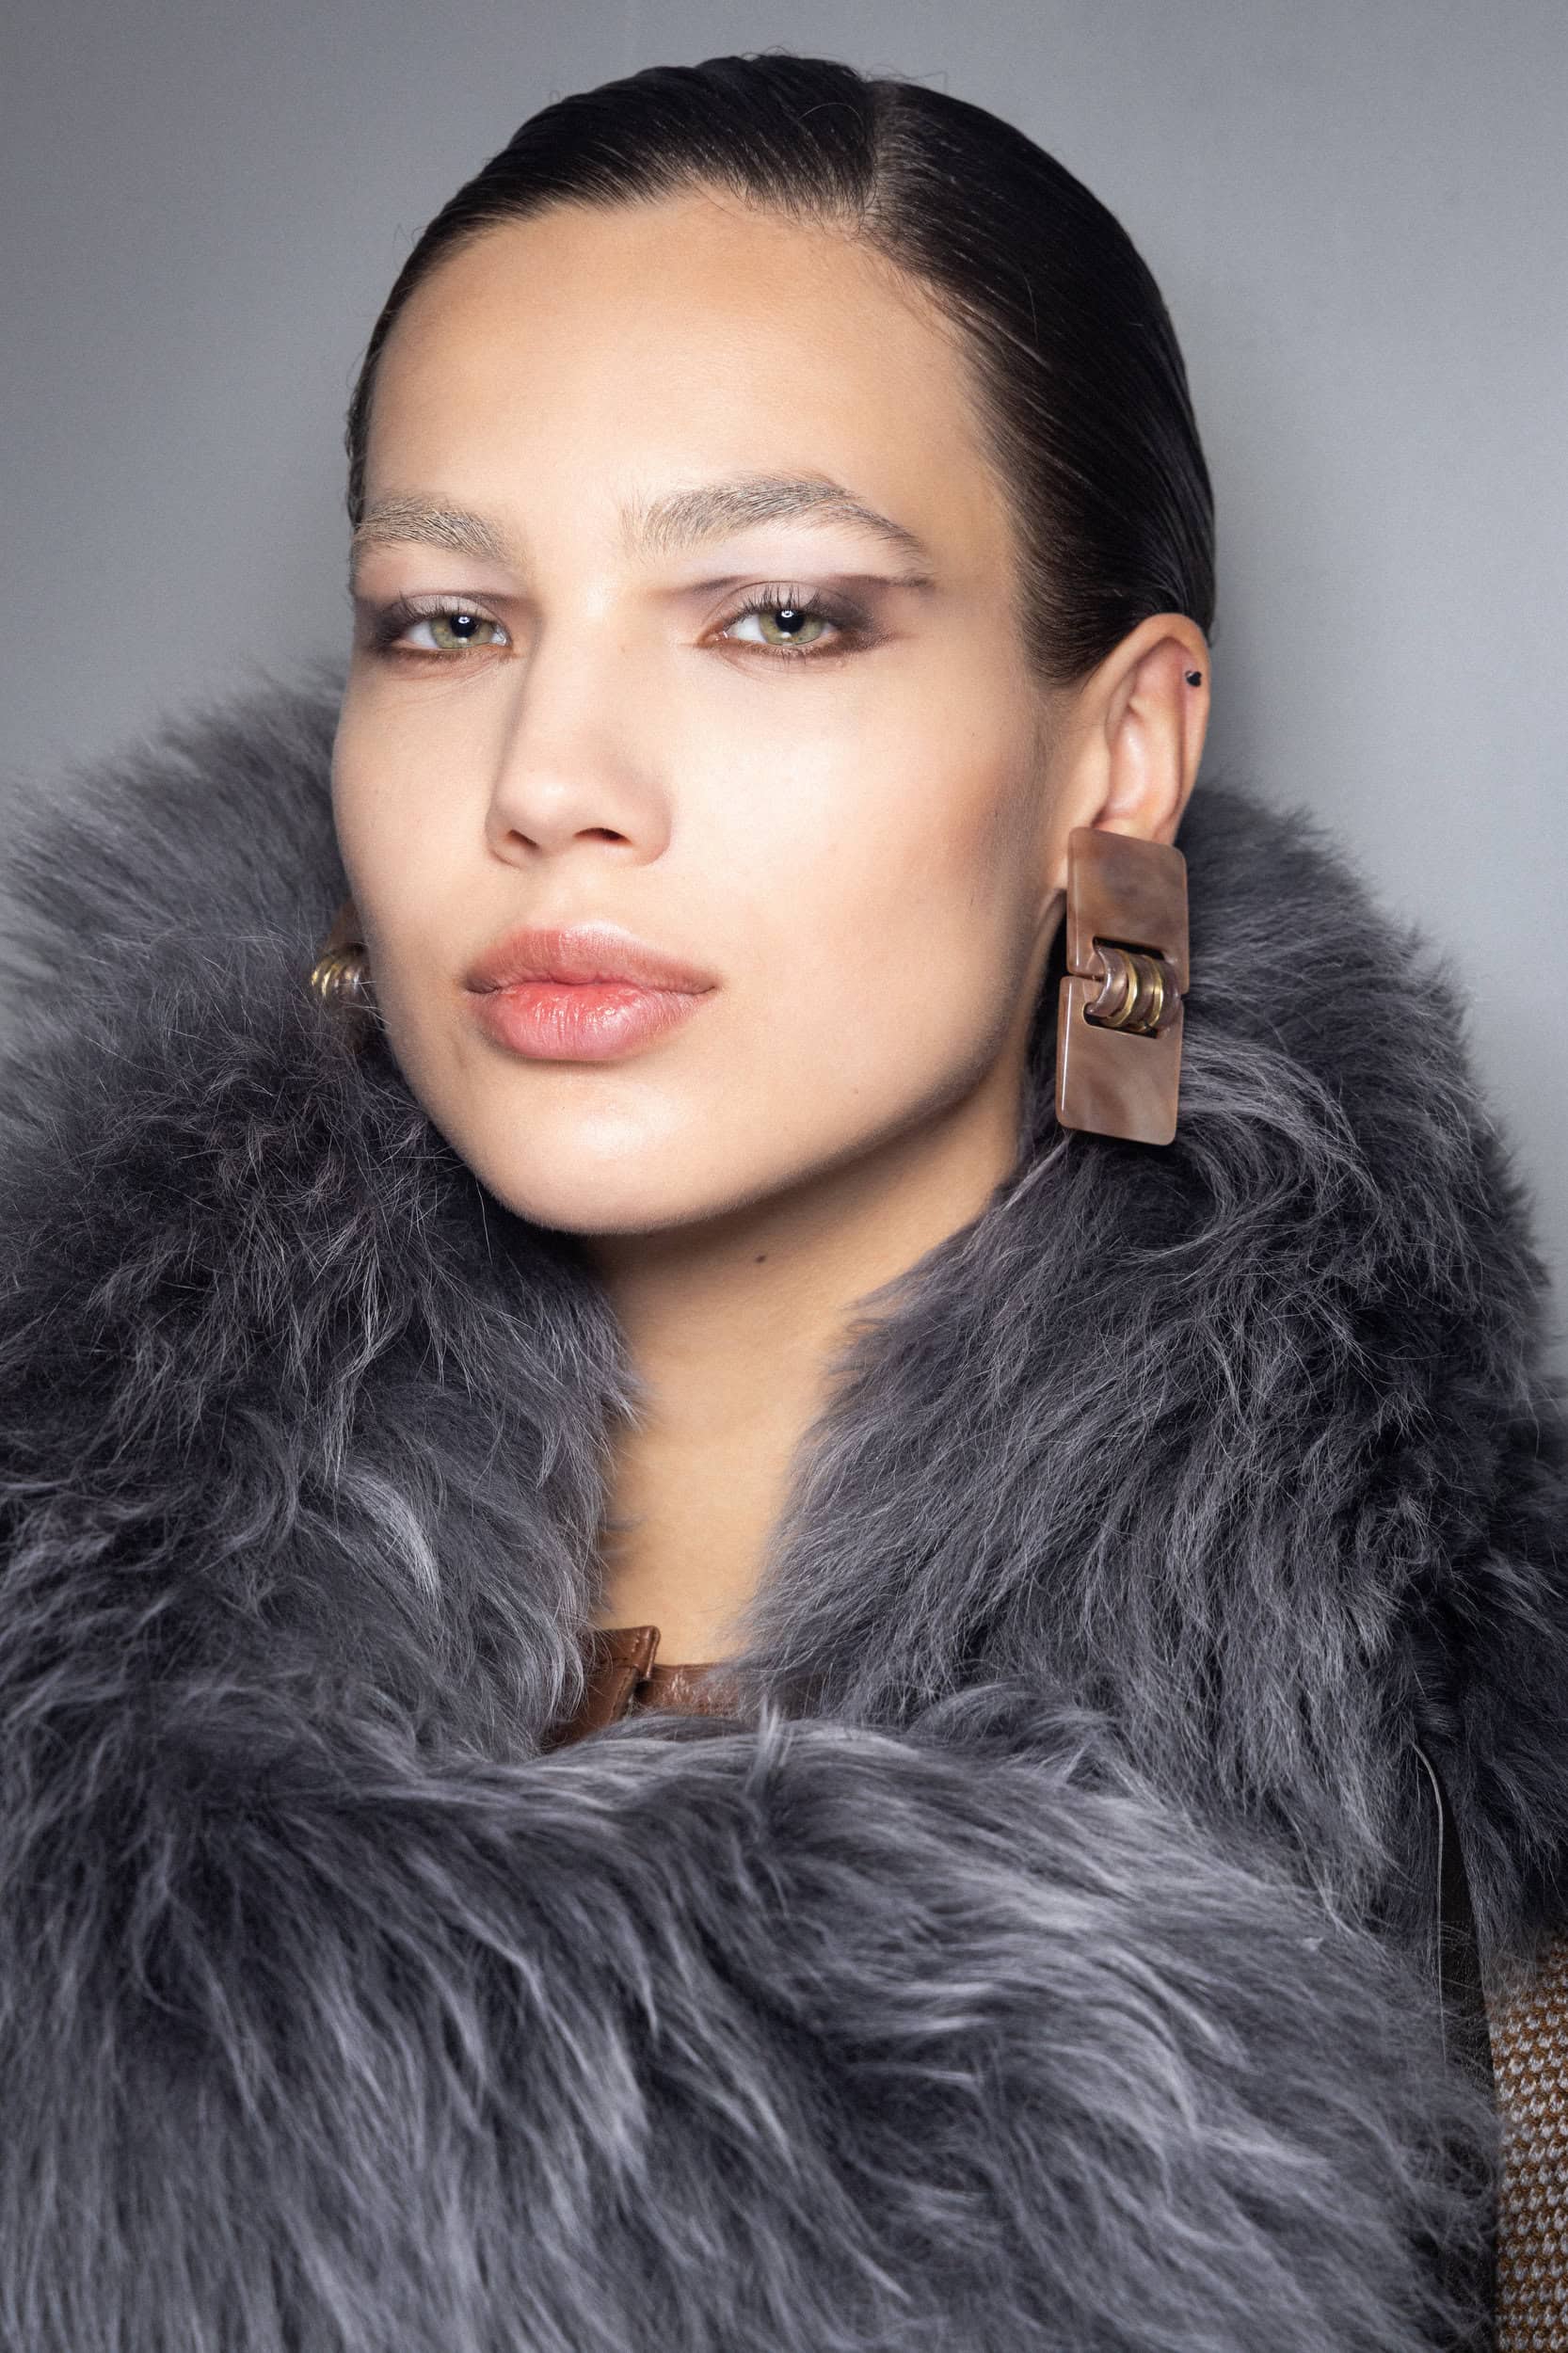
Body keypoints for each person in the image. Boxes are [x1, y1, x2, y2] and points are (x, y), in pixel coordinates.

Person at [1, 49, 1562, 2353]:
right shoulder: (59, 1649)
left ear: (1115, 754)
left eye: (779, 616)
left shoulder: (1462, 1812)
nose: (548, 781)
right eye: (444, 621)